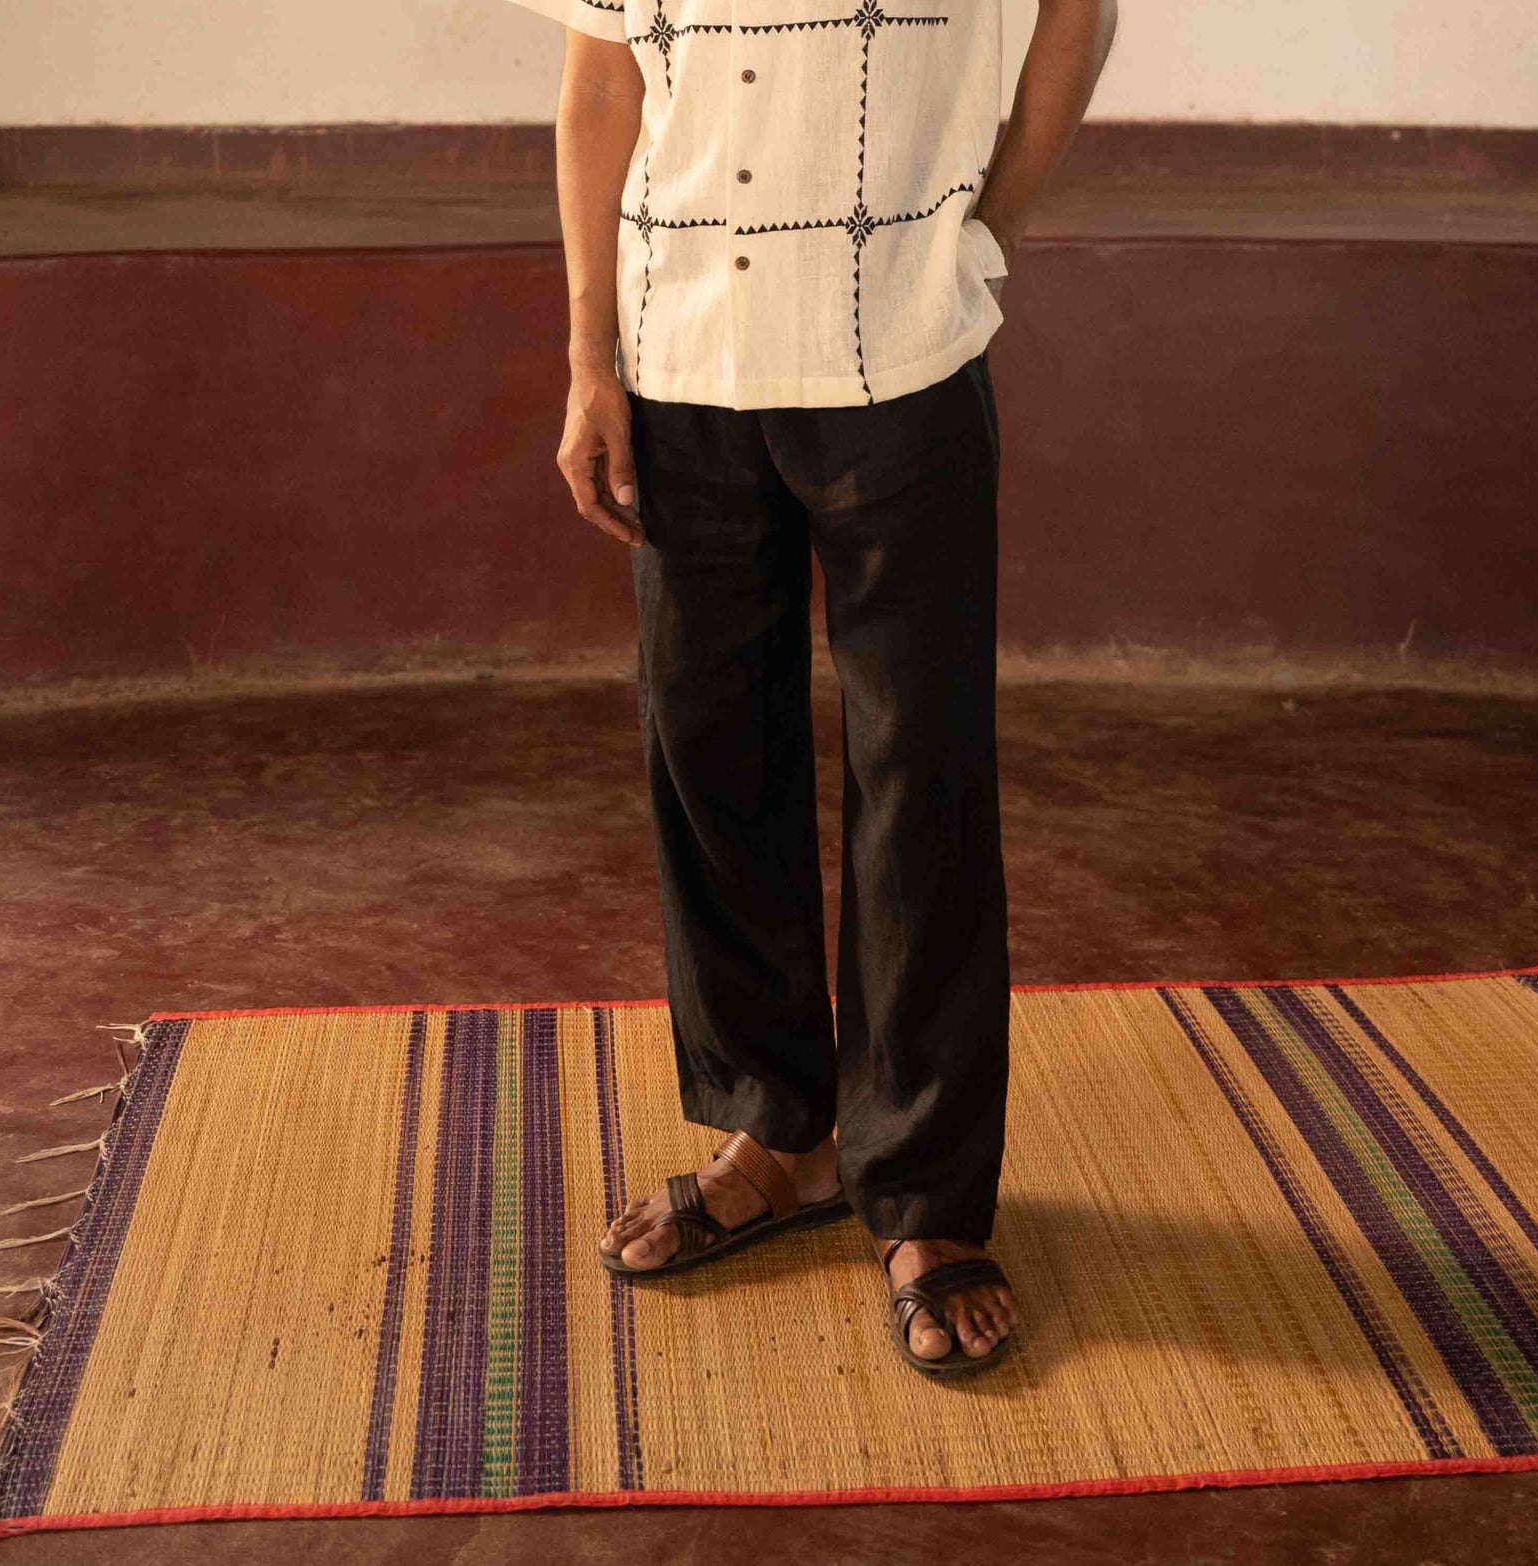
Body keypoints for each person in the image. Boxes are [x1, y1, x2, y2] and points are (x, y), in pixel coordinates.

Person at [503, 0, 1115, 1374]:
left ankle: (927, 1195)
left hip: (898, 352)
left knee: (921, 774)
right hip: (677, 361)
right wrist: (587, 356)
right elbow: (599, 87)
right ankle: (781, 1131)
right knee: (709, 746)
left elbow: (1075, 20)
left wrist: (974, 235)